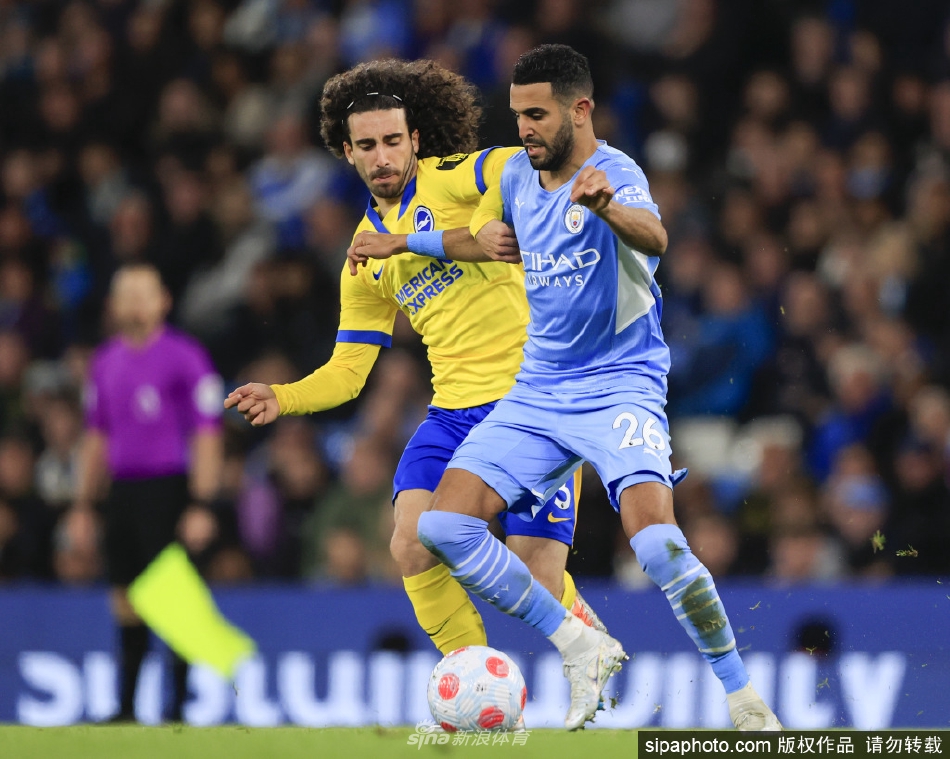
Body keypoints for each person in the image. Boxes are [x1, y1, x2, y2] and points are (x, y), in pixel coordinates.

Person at [414, 45, 782, 731]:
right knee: (441, 526)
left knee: (657, 546)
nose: (524, 129)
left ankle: (742, 696)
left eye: (537, 114)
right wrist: (411, 243)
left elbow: (656, 236)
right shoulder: (518, 178)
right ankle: (579, 642)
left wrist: (607, 207)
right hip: (537, 391)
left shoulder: (614, 174)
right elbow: (482, 239)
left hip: (618, 389)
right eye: (517, 114)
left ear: (580, 109)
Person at [225, 59, 606, 661]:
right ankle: (476, 679)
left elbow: (512, 165)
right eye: (367, 146)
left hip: (531, 402)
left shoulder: (448, 179)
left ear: (415, 141)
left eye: (393, 141)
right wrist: (283, 396)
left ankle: (582, 632)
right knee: (410, 543)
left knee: (538, 580)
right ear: (348, 153)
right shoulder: (364, 258)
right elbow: (349, 372)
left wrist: (486, 219)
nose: (382, 157)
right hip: (452, 413)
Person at [73, 263, 224, 721]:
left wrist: (201, 502)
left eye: (144, 293)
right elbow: (95, 438)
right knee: (125, 597)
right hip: (122, 491)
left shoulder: (186, 357)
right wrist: (83, 504)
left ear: (164, 301)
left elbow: (208, 434)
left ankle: (177, 708)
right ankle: (126, 708)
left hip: (169, 489)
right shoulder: (104, 362)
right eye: (126, 294)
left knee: (174, 597)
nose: (135, 302)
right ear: (113, 305)